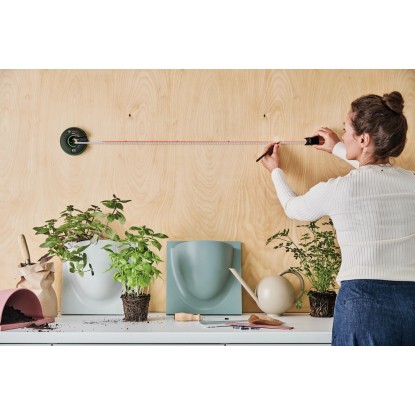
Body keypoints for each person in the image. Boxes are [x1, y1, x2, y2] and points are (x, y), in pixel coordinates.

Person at [260, 91, 415, 346]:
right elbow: (378, 173)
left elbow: (292, 207)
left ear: (363, 139)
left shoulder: (339, 189)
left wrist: (275, 170)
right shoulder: (411, 184)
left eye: (345, 130)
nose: (342, 136)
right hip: (410, 305)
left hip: (362, 307)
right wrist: (337, 148)